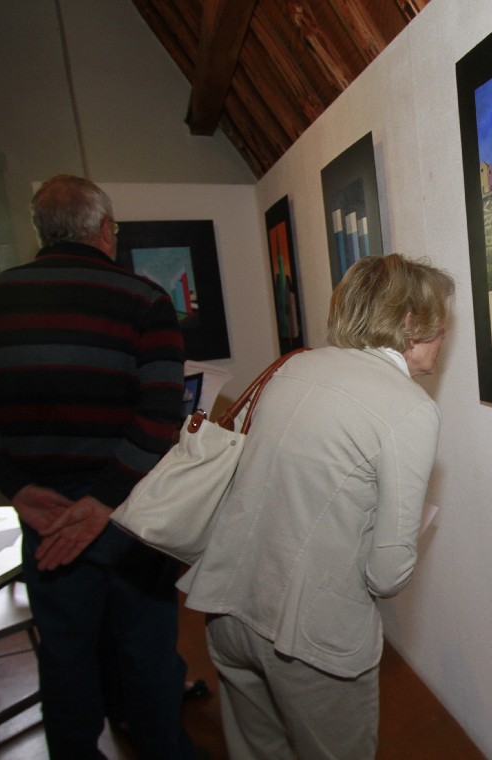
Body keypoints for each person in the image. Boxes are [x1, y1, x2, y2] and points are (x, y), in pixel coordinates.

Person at [0, 174, 195, 760]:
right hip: (129, 509)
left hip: (48, 510)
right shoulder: (144, 301)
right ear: (104, 230)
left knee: (65, 655)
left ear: (42, 232)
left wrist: (17, 487)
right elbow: (159, 418)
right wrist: (102, 500)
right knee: (148, 649)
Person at [180, 253, 455, 760]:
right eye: (441, 323)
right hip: (307, 637)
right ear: (410, 322)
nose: (445, 336)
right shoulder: (411, 408)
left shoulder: (294, 366)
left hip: (227, 606)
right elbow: (386, 575)